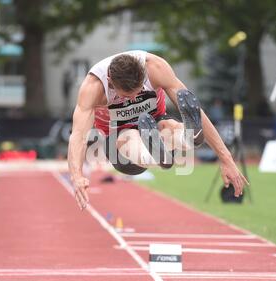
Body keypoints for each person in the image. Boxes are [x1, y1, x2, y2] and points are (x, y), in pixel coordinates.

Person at [68, 50, 248, 210]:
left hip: (154, 122)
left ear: (143, 74)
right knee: (129, 137)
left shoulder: (155, 68)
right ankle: (154, 155)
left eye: (139, 92)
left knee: (168, 126)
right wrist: (77, 176)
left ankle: (189, 137)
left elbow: (196, 112)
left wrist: (226, 158)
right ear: (110, 82)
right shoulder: (93, 88)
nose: (133, 99)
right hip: (119, 139)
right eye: (126, 96)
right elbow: (78, 136)